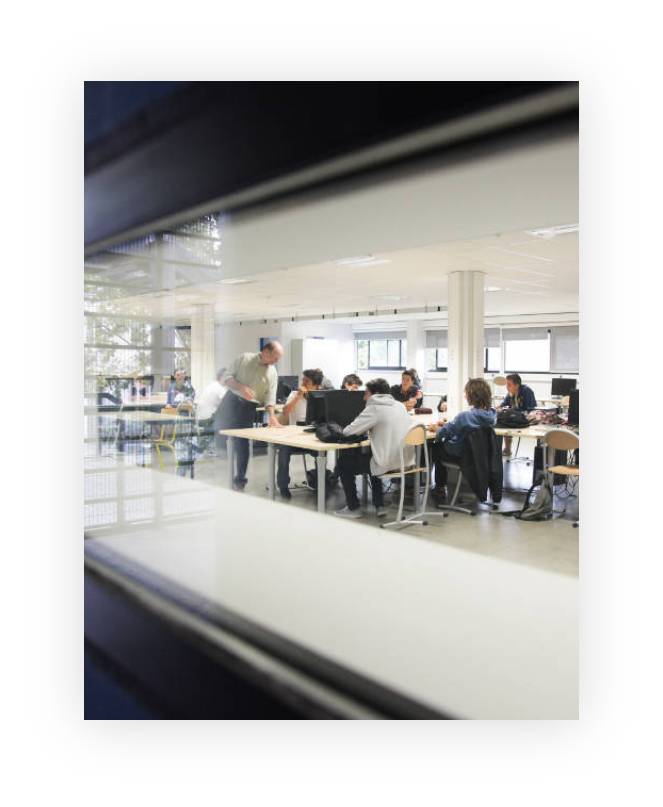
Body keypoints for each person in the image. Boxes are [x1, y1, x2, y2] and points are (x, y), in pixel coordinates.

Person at [334, 378, 414, 519]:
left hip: (387, 463)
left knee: (343, 463)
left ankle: (353, 508)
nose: (364, 397)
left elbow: (348, 432)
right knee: (374, 457)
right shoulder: (400, 406)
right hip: (404, 461)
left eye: (366, 393)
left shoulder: (374, 408)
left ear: (375, 394)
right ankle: (379, 505)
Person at [219, 341, 284, 491]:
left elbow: (270, 396)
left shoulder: (273, 372)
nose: (277, 361)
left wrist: (272, 416)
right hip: (231, 401)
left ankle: (240, 480)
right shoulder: (245, 359)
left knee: (242, 445)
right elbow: (227, 377)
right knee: (217, 435)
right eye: (275, 357)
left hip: (248, 408)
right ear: (265, 352)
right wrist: (241, 387)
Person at [427, 378, 496, 501]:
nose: (465, 396)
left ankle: (439, 487)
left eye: (466, 393)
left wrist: (435, 429)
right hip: (477, 456)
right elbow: (459, 427)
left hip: (461, 454)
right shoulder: (492, 415)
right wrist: (449, 425)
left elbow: (444, 432)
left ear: (472, 395)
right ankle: (439, 487)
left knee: (435, 448)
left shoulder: (466, 416)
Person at [277, 368, 323, 498]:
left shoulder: (320, 395)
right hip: (295, 438)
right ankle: (283, 485)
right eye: (303, 379)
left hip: (312, 436)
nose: (302, 383)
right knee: (283, 451)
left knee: (322, 452)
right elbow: (285, 411)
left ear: (315, 385)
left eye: (306, 381)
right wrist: (298, 396)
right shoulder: (294, 394)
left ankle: (320, 483)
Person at [496, 373, 537, 457]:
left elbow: (529, 409)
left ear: (517, 385)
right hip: (516, 417)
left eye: (509, 384)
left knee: (508, 418)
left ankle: (507, 449)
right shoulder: (511, 393)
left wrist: (512, 411)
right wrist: (499, 407)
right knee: (502, 421)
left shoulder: (526, 391)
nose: (507, 386)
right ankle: (507, 450)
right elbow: (504, 404)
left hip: (527, 417)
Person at [193, 368, 227, 458]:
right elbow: (228, 402)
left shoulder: (212, 385)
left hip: (200, 417)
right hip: (207, 418)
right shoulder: (219, 388)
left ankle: (204, 448)